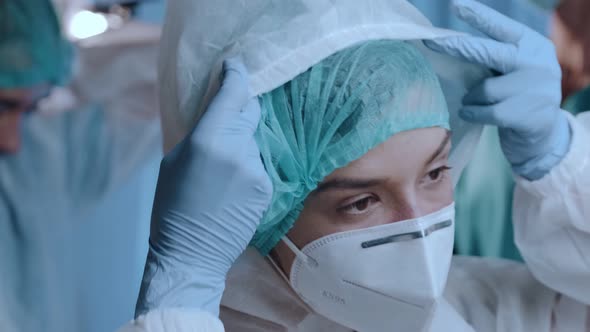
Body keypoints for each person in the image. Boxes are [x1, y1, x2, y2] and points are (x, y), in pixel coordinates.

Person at [121, 0, 590, 331]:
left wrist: (560, 159)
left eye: (434, 173)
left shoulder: (481, 308)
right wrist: (182, 293)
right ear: (259, 213)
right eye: (362, 202)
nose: (418, 229)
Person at [0, 1, 161, 331]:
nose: (11, 141)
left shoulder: (39, 163)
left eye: (29, 109)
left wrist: (61, 55)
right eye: (2, 105)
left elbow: (174, 76)